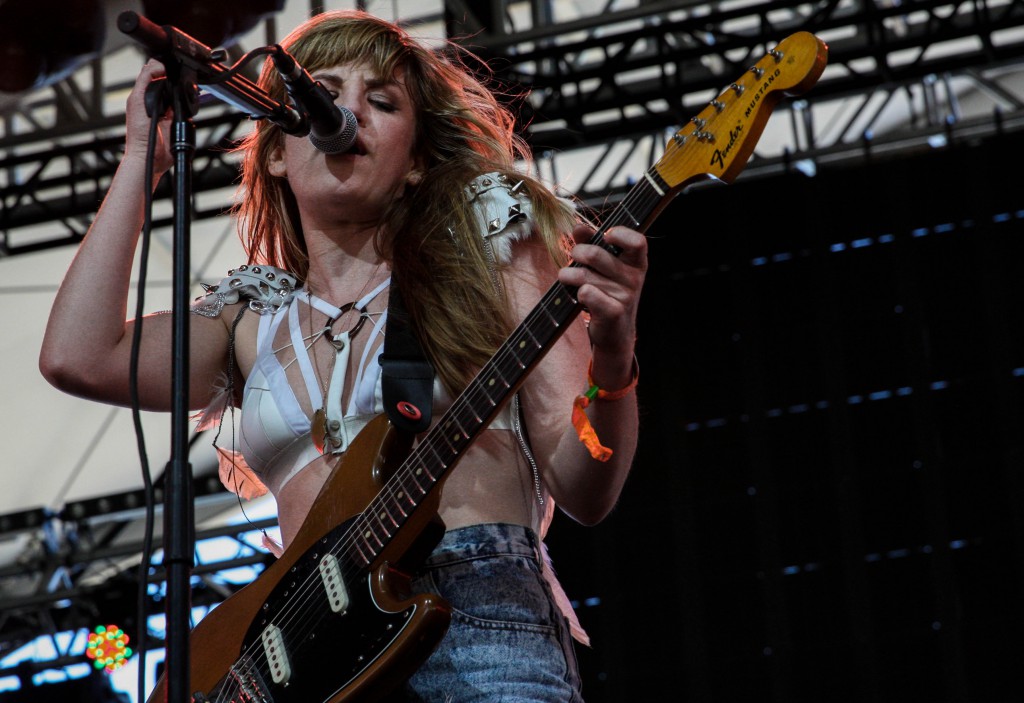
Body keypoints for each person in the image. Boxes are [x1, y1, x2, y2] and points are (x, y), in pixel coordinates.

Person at [39, 9, 646, 702]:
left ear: (415, 161)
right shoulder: (249, 316)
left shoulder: (488, 243)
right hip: (308, 656)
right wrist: (139, 162)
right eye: (322, 93)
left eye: (381, 102)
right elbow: (77, 357)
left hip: (474, 616)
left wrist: (614, 356)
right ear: (275, 152)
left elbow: (585, 488)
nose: (346, 113)